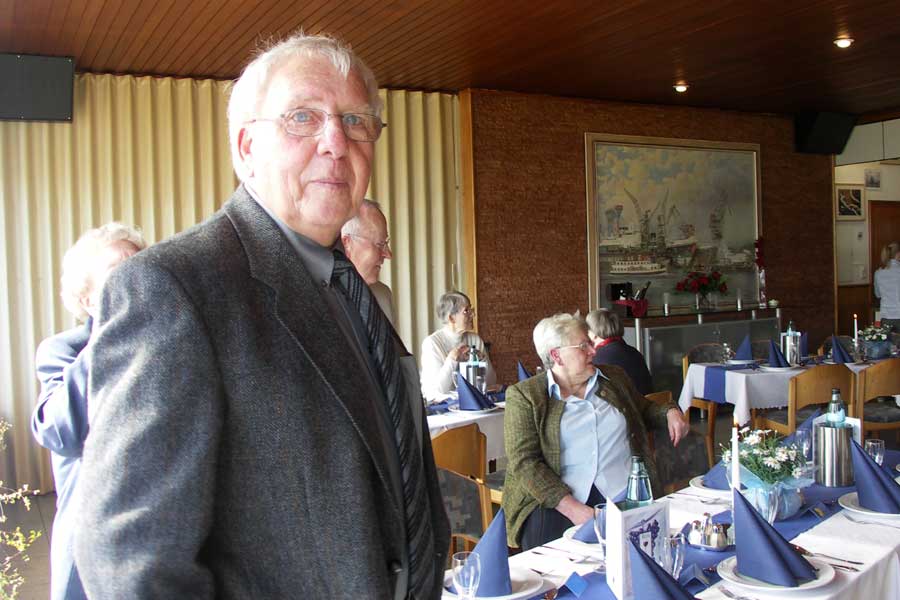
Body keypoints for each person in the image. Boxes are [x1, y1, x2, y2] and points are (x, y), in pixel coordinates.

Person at [74, 33, 449, 599]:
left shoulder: (350, 286)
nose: (336, 142)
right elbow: (130, 563)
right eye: (303, 117)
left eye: (355, 121)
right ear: (247, 146)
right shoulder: (174, 287)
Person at [501, 313, 689, 550]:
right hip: (555, 500)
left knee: (643, 557)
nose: (593, 351)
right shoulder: (526, 396)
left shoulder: (614, 377)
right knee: (556, 566)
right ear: (556, 355)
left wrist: (669, 411)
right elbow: (524, 462)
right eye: (583, 346)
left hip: (623, 493)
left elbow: (644, 409)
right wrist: (573, 509)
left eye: (591, 343)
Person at [32, 222, 146, 600]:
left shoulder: (172, 346)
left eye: (141, 267)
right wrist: (109, 334)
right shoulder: (63, 352)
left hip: (158, 541)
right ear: (87, 300)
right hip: (91, 546)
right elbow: (59, 432)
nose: (135, 280)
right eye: (117, 273)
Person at [420, 290, 496, 402]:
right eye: (466, 311)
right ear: (451, 318)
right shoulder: (432, 343)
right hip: (441, 407)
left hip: (471, 404)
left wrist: (482, 360)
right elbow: (438, 390)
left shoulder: (475, 339)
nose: (473, 314)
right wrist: (452, 360)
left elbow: (491, 382)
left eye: (471, 310)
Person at [341, 198, 396, 324]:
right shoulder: (312, 299)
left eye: (386, 243)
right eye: (380, 244)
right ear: (347, 244)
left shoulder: (383, 296)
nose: (388, 255)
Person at [585, 308, 654, 394]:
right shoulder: (635, 352)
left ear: (594, 334)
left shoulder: (595, 359)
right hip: (647, 402)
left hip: (624, 403)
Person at [874, 241, 900, 332]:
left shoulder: (878, 273)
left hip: (885, 315)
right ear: (898, 254)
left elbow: (878, 294)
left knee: (887, 341)